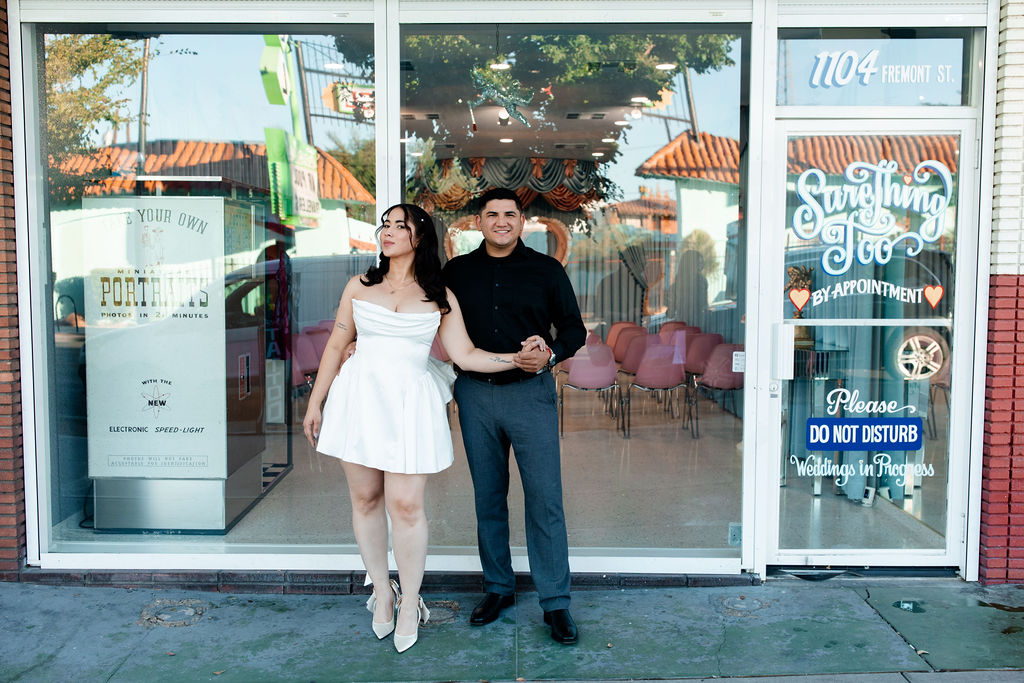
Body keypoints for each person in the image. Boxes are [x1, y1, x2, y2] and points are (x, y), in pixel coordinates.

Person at [302, 203, 543, 654]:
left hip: (409, 404)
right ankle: (383, 593)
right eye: (385, 225)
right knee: (365, 498)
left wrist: (515, 358)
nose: (388, 232)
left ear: (420, 238)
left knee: (406, 505)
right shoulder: (358, 285)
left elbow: (465, 354)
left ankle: (411, 599)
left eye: (400, 226)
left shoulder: (439, 295)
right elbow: (336, 345)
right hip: (359, 400)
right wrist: (317, 403)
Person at [442, 187, 587, 645]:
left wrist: (549, 355)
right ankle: (499, 588)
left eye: (509, 214)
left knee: (544, 499)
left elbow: (574, 330)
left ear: (522, 221)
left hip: (530, 394)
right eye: (492, 214)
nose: (501, 221)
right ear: (478, 222)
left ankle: (555, 603)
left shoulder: (546, 269)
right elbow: (421, 319)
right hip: (475, 395)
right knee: (488, 497)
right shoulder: (455, 272)